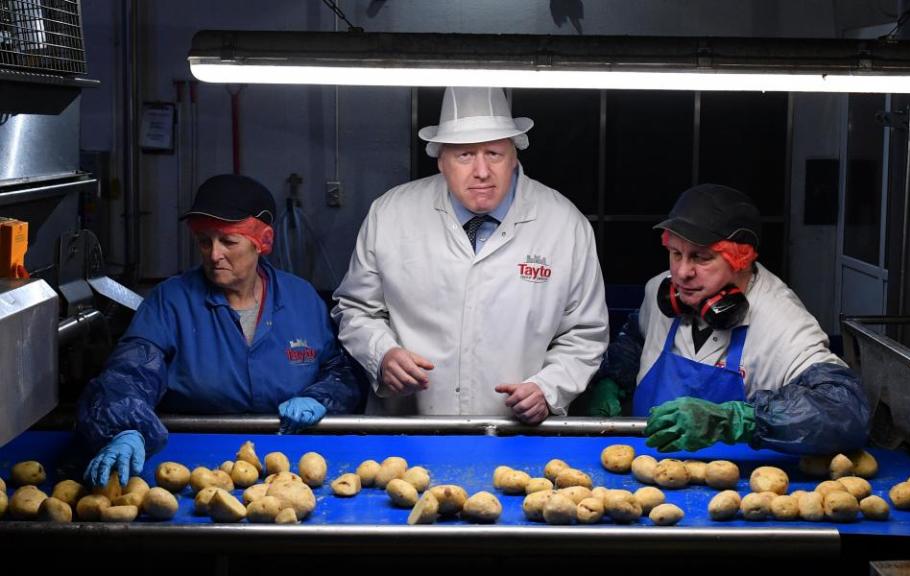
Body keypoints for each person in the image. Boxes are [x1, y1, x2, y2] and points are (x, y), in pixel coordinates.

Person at [332, 86, 608, 424]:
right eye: (464, 155)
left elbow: (585, 333)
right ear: (441, 161)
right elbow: (356, 309)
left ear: (514, 156)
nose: (481, 171)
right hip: (408, 433)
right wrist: (382, 354)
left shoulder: (564, 224)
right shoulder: (390, 214)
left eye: (494, 153)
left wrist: (548, 389)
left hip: (518, 437)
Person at [77, 174, 361, 486]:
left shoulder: (301, 298)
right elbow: (128, 373)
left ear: (261, 242)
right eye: (204, 241)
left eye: (228, 241)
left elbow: (340, 368)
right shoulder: (172, 301)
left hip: (291, 467)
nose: (214, 255)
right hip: (191, 467)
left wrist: (321, 397)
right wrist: (124, 427)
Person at [585, 183, 870, 455]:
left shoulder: (781, 321)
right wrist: (612, 379)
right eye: (675, 254)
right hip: (644, 466)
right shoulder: (660, 291)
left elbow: (847, 411)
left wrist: (737, 420)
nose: (682, 273)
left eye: (702, 257)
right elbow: (637, 337)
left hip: (737, 487)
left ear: (741, 259)